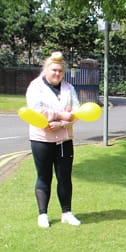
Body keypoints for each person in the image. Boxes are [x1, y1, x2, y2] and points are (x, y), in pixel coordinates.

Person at [25, 52, 82, 228]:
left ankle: (67, 212)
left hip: (64, 139)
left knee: (64, 177)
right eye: (54, 70)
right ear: (46, 69)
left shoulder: (69, 88)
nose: (57, 74)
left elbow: (77, 111)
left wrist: (62, 123)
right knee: (44, 177)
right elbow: (36, 110)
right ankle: (43, 214)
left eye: (60, 71)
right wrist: (59, 114)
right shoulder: (35, 87)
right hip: (41, 139)